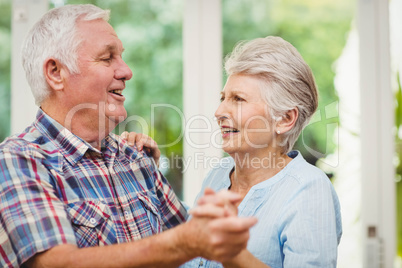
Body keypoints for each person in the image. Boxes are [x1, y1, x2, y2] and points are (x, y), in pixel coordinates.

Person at [0, 4, 257, 268]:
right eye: (107, 58)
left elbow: (199, 248)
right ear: (56, 73)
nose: (126, 71)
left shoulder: (134, 157)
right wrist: (186, 241)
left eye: (121, 57)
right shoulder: (18, 160)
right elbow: (56, 264)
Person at [128, 36, 342, 267]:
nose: (219, 111)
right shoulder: (220, 174)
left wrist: (233, 254)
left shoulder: (309, 189)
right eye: (223, 98)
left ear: (285, 119)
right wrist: (148, 173)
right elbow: (188, 239)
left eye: (238, 99)